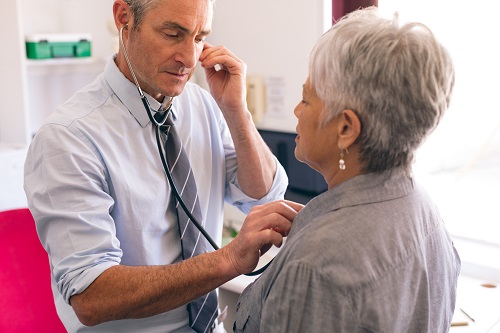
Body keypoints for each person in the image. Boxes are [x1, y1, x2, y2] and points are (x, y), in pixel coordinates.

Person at [23, 0, 303, 332]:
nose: (189, 57)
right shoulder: (68, 138)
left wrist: (237, 111)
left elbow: (262, 195)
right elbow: (91, 295)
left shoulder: (202, 104)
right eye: (173, 33)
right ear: (124, 18)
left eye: (200, 37)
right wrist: (227, 260)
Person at [234, 7, 460, 333]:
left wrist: (319, 242)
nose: (297, 111)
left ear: (345, 128)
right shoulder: (426, 212)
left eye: (306, 98)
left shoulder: (314, 268)